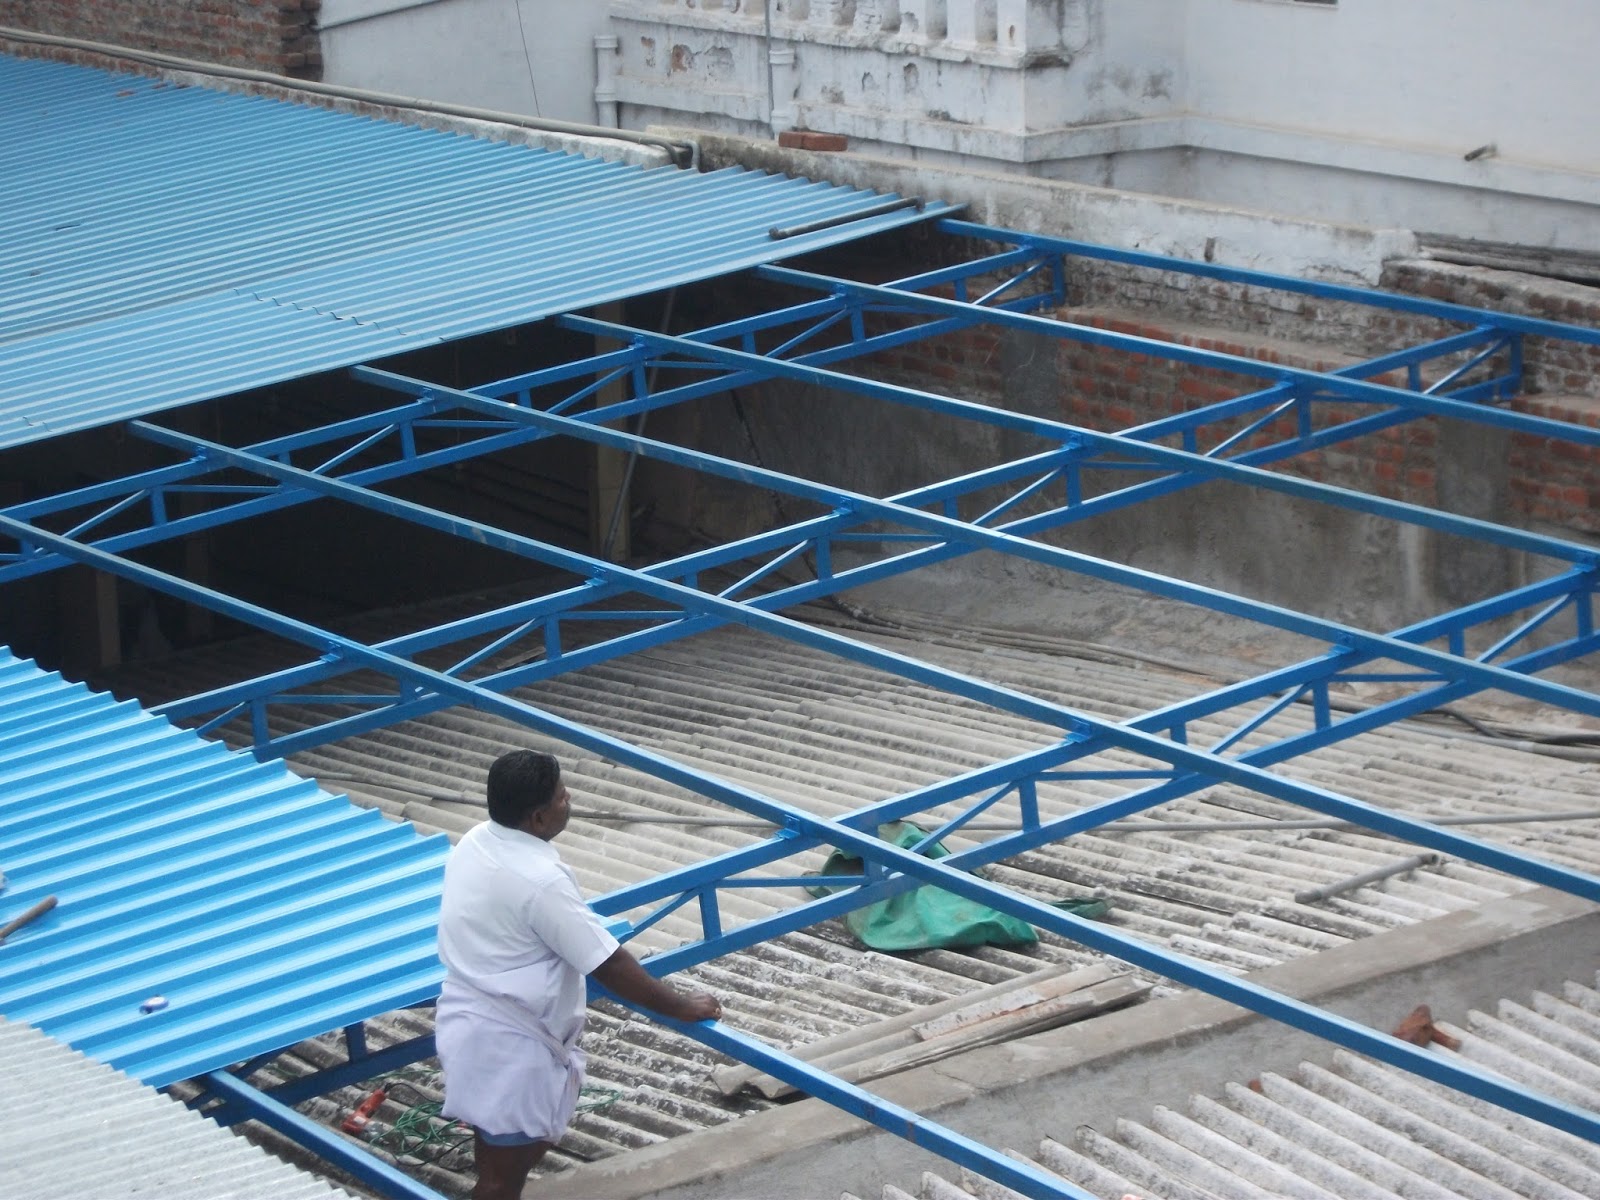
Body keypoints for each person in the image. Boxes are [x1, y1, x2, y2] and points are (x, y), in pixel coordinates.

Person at [435, 749, 721, 1200]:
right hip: (512, 1046)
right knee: (501, 1179)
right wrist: (683, 1007)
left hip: (474, 1025)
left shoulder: (475, 841)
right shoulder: (540, 880)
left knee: (497, 1156)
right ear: (538, 818)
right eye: (562, 797)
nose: (569, 800)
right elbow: (609, 964)